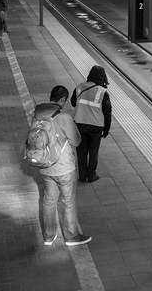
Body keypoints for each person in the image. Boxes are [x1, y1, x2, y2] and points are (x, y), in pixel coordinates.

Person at [34, 85, 90, 246]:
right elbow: (76, 141)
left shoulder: (37, 115)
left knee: (49, 200)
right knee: (68, 201)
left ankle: (48, 236)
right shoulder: (64, 117)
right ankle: (71, 237)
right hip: (63, 167)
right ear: (63, 100)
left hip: (45, 166)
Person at [70, 65, 111, 183]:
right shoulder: (103, 92)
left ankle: (82, 176)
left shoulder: (80, 87)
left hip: (80, 124)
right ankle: (91, 175)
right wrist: (106, 130)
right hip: (96, 126)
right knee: (93, 152)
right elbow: (107, 113)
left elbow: (73, 103)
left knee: (81, 151)